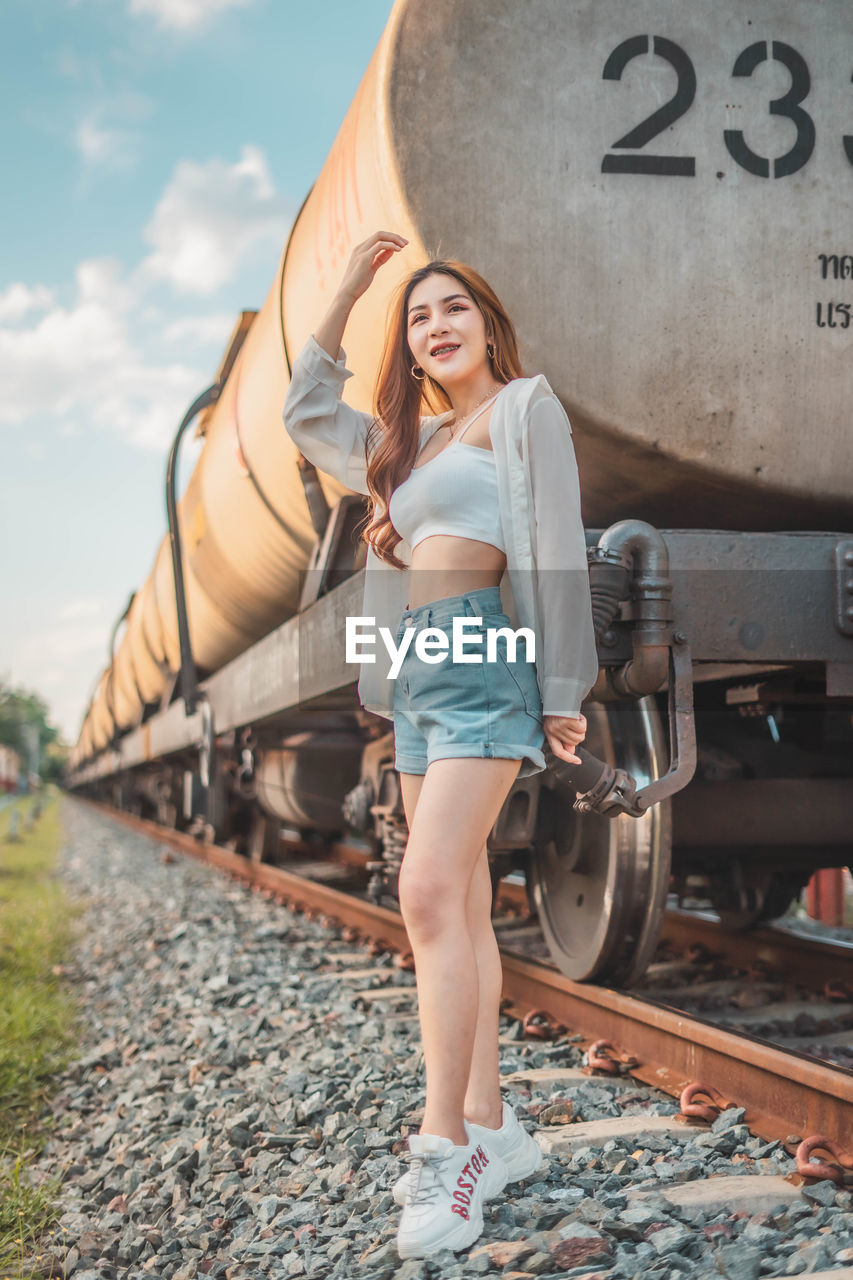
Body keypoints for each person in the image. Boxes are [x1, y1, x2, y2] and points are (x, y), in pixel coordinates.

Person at [283, 231, 598, 1259]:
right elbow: (304, 414)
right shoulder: (404, 445)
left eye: (453, 307)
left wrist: (561, 685)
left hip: (484, 660)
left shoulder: (521, 409)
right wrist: (339, 294)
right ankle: (497, 1127)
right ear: (410, 348)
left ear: (486, 324)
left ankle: (443, 1143)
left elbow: (552, 539)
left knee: (422, 894)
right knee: (455, 899)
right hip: (416, 671)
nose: (437, 324)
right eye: (419, 317)